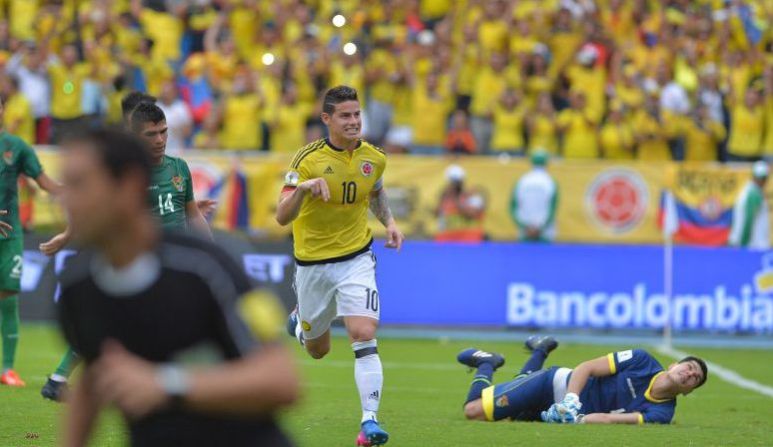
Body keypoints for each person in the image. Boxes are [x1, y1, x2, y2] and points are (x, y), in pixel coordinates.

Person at [55, 129, 298, 446]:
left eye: (79, 185)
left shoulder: (207, 266)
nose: (63, 200)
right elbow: (93, 378)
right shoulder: (78, 286)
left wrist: (167, 384)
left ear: (128, 186)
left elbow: (282, 380)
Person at [40, 101, 213, 400]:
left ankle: (63, 379)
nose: (160, 140)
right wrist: (68, 236)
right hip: (139, 262)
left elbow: (191, 213)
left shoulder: (179, 168)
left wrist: (209, 248)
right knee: (112, 327)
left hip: (174, 263)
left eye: (164, 132)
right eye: (151, 134)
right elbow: (99, 215)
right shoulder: (124, 176)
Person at [276, 85, 403, 446]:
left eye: (357, 114)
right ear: (327, 119)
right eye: (345, 116)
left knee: (364, 333)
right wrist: (303, 189)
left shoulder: (374, 157)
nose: (353, 122)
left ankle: (369, 422)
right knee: (318, 351)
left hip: (356, 258)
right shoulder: (306, 159)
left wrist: (389, 223)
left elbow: (375, 191)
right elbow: (282, 216)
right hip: (313, 264)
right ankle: (300, 325)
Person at [457, 336, 707, 424]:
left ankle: (540, 349)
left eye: (695, 378)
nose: (690, 373)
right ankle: (486, 362)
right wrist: (571, 399)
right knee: (473, 411)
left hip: (558, 415)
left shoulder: (662, 413)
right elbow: (586, 367)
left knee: (509, 414)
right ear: (675, 364)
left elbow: (611, 419)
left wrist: (573, 419)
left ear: (688, 391)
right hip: (556, 384)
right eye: (691, 366)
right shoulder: (642, 360)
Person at [0, 96, 61, 387]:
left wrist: (69, 191)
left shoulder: (16, 147)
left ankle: (7, 369)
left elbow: (43, 180)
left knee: (8, 298)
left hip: (9, 234)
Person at [511, 151, 558, 242]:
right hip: (545, 233)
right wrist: (539, 228)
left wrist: (524, 226)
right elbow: (553, 208)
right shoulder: (550, 182)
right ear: (546, 163)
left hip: (525, 232)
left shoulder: (522, 181)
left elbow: (513, 207)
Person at [435, 165, 486, 242]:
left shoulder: (473, 196)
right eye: (451, 183)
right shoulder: (446, 197)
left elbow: (474, 214)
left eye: (454, 183)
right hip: (447, 243)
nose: (451, 186)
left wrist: (456, 201)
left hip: (469, 242)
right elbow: (439, 216)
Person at [728, 161, 770, 250]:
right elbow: (748, 219)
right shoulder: (753, 194)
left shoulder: (750, 190)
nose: (763, 181)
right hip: (752, 245)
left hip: (749, 244)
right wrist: (744, 245)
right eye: (762, 178)